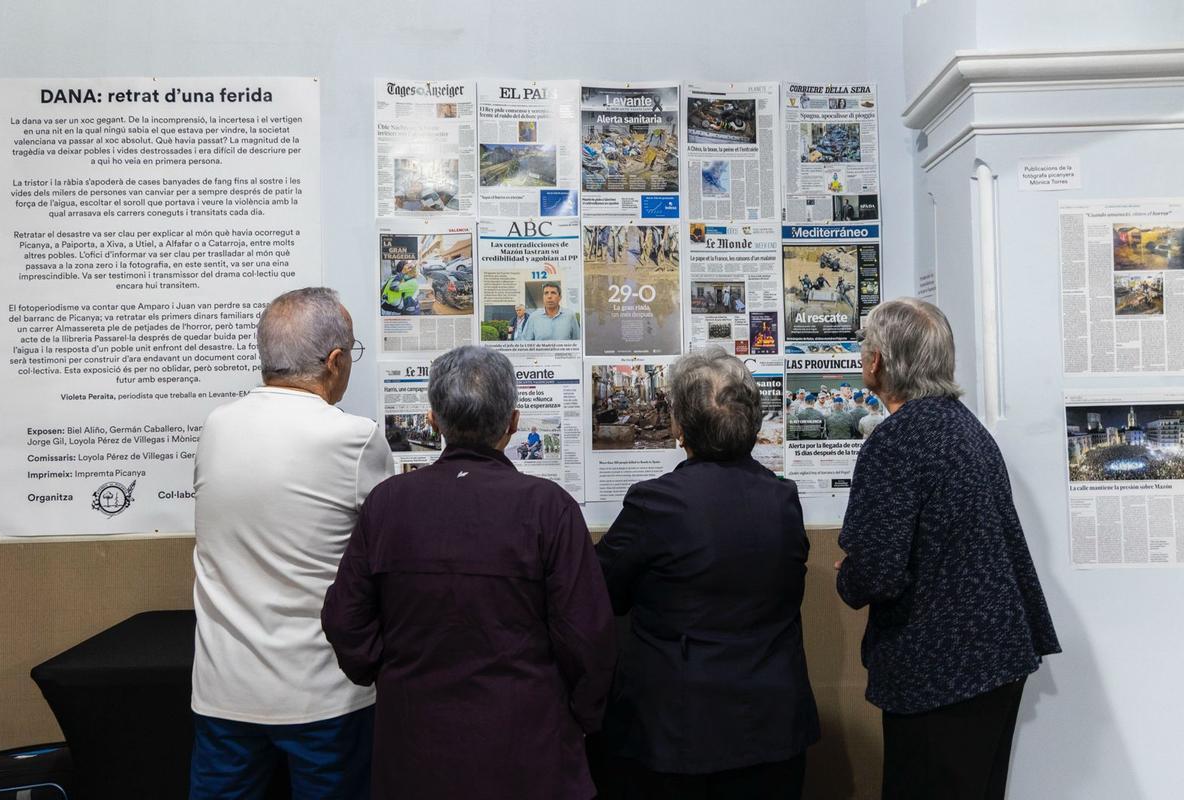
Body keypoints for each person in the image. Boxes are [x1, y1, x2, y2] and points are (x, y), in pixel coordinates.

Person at [323, 346, 616, 800]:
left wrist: (392, 674)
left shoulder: (388, 503)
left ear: (433, 421)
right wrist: (579, 718)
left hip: (414, 751)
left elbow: (344, 620)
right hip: (529, 752)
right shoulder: (548, 508)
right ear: (513, 423)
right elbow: (588, 636)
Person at [835, 298, 1060, 800]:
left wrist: (847, 573)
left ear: (878, 363)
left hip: (941, 671)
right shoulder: (967, 427)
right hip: (996, 656)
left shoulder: (896, 442)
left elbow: (878, 573)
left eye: (865, 346)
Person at [190, 287, 394, 799]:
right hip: (323, 694)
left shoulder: (217, 426)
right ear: (334, 361)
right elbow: (388, 552)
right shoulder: (354, 437)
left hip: (224, 690)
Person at [595, 348, 819, 800]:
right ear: (754, 424)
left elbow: (603, 592)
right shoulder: (783, 499)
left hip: (678, 731)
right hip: (771, 725)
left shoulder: (654, 503)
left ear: (678, 427)